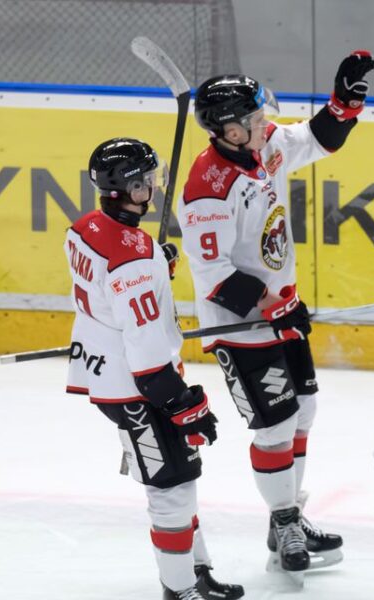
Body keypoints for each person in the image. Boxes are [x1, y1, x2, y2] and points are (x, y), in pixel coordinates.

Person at [177, 51, 374, 577]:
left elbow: (316, 138)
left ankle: (287, 514)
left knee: (304, 410)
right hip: (239, 323)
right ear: (229, 131)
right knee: (277, 424)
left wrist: (344, 103)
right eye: (256, 120)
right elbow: (215, 273)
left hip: (281, 310)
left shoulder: (263, 147)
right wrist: (272, 305)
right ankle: (285, 518)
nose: (267, 125)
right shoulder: (205, 189)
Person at [65, 138, 243, 599]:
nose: (153, 188)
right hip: (138, 388)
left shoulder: (84, 227)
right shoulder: (134, 261)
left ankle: (196, 573)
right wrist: (184, 406)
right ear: (125, 188)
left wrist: (154, 265)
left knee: (181, 478)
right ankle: (178, 590)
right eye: (145, 182)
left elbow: (109, 282)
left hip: (108, 370)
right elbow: (146, 354)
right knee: (169, 489)